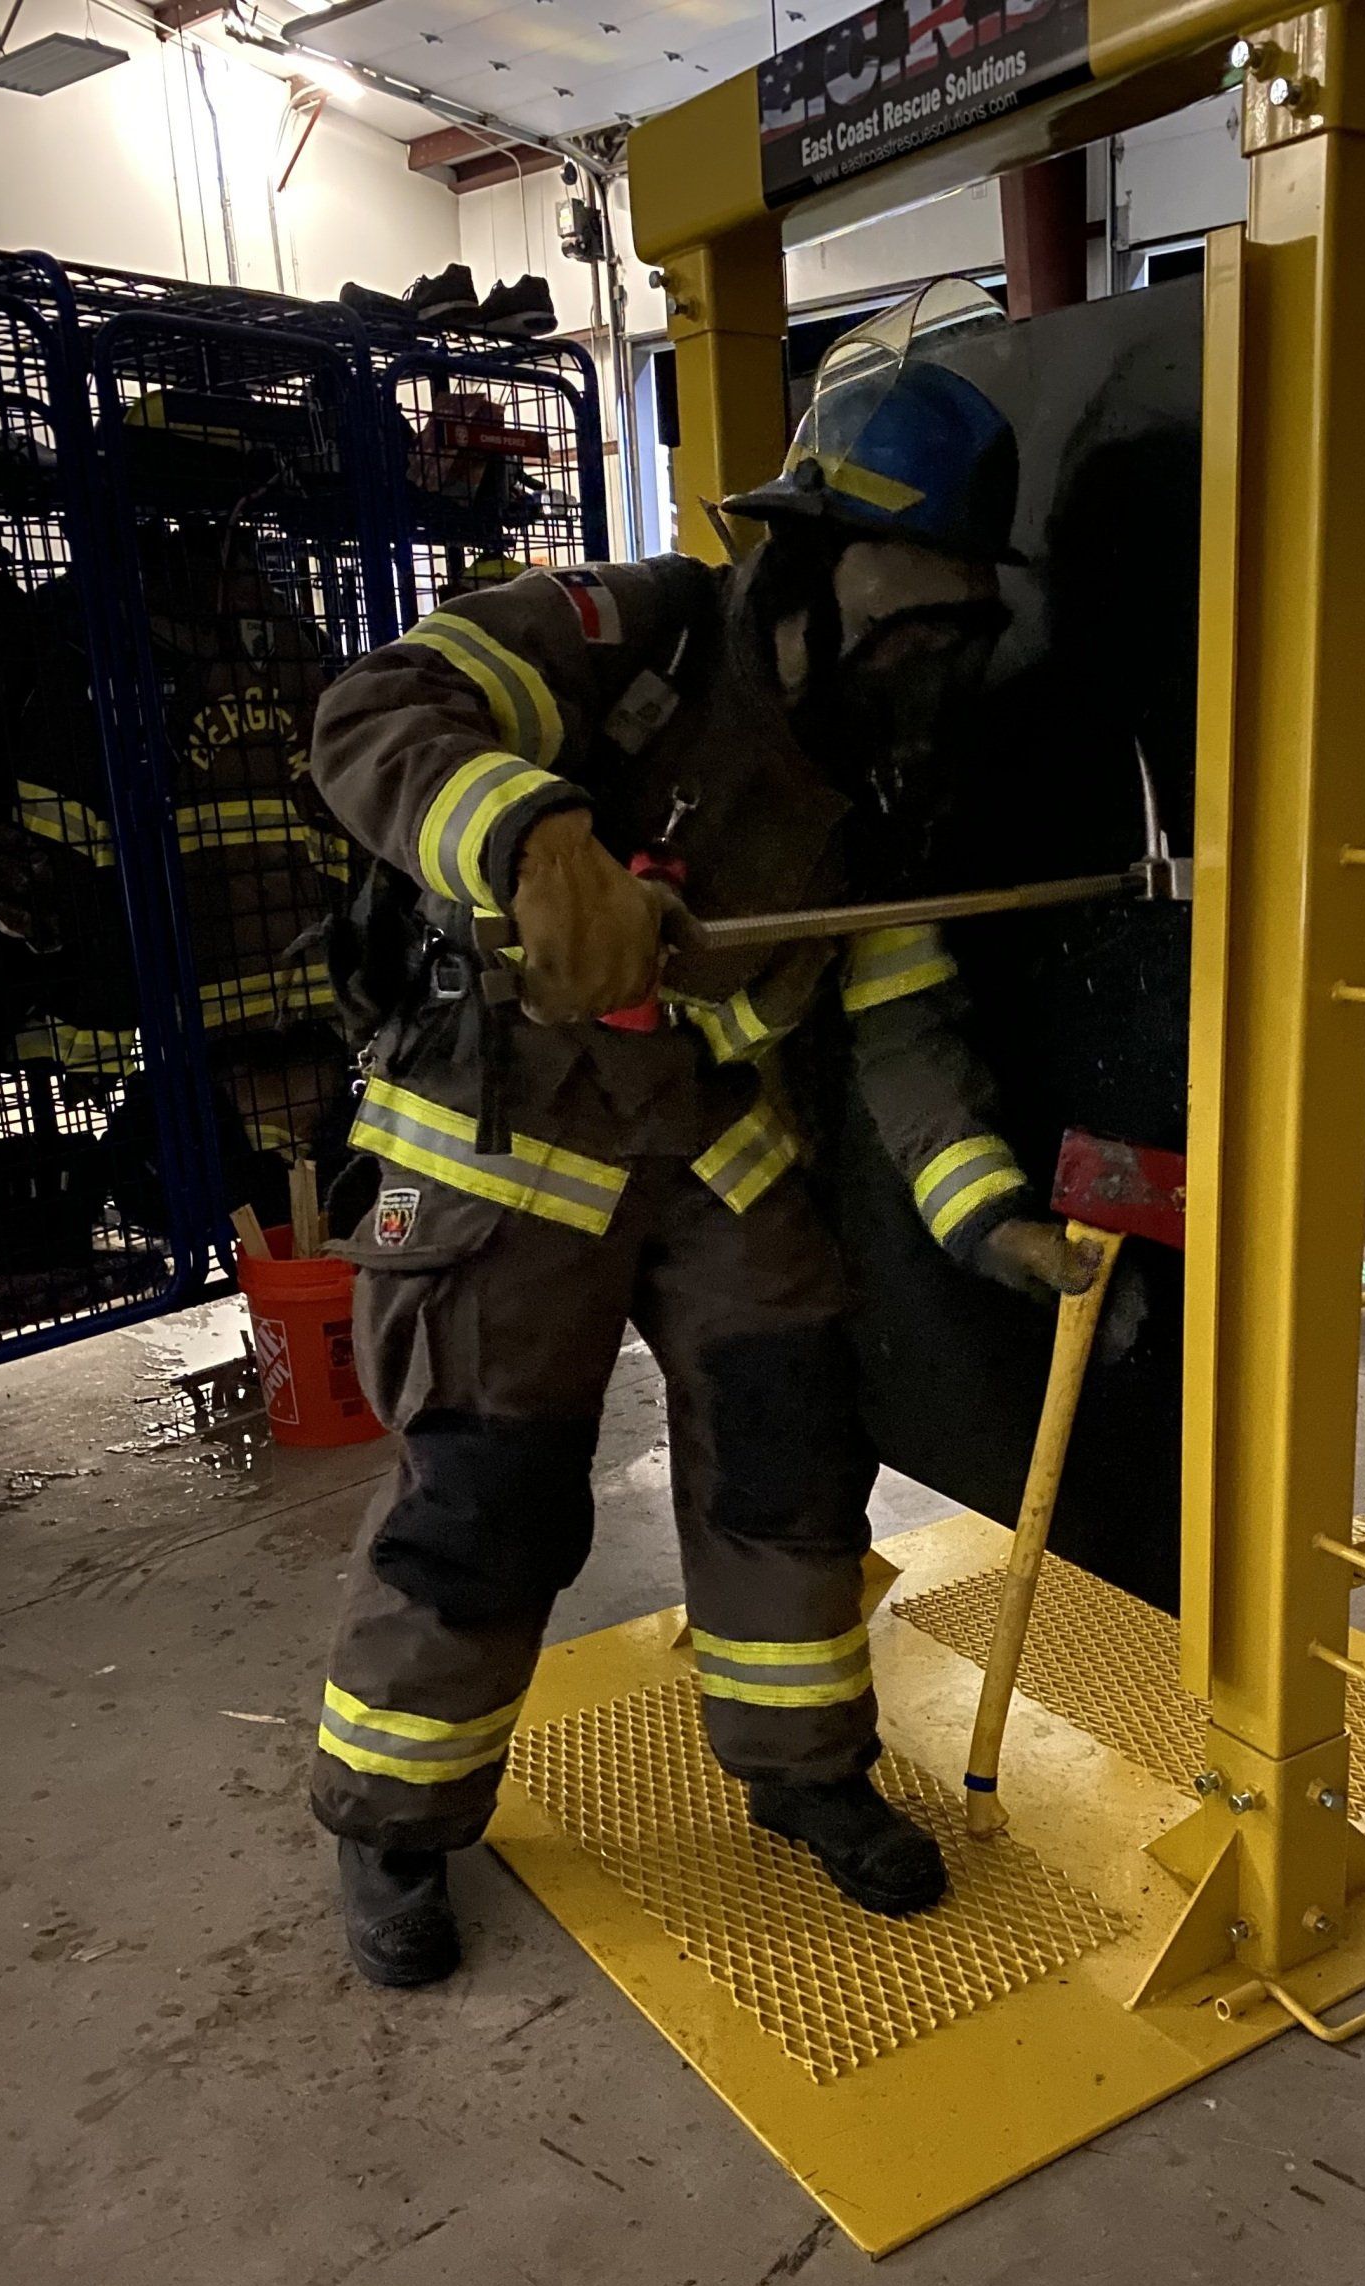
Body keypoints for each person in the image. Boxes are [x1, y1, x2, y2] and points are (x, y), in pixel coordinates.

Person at [306, 286, 1094, 1988]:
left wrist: (987, 1217)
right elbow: (373, 714)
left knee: (793, 1451)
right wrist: (526, 838)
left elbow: (897, 1017)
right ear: (804, 565)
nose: (939, 655)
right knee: (489, 1501)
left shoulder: (885, 776)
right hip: (506, 1138)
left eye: (967, 623)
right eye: (914, 612)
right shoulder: (628, 636)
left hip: (723, 1155)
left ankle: (805, 1771)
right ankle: (396, 1819)